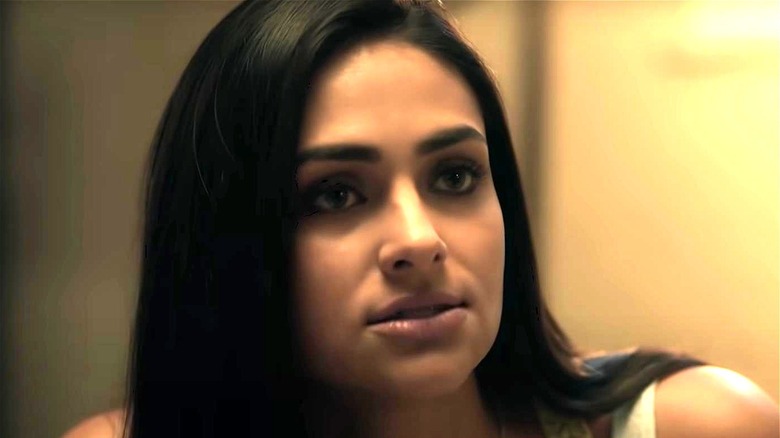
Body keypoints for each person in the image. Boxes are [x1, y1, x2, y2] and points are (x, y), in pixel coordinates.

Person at [64, 1, 779, 437]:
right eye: (335, 194)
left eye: (455, 176)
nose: (419, 239)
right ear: (226, 238)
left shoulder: (698, 426)